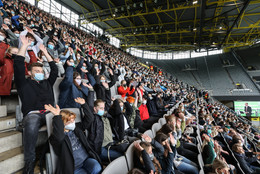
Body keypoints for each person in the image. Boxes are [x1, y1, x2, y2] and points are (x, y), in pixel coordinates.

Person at [14, 36, 58, 173]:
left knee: (67, 118)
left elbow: (54, 70)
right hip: (34, 114)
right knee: (32, 123)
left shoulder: (47, 82)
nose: (40, 73)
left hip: (50, 112)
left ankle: (58, 156)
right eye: (36, 71)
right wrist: (24, 46)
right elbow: (18, 64)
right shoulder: (23, 83)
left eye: (41, 71)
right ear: (30, 73)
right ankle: (29, 165)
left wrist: (45, 52)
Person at [45, 104, 102, 174]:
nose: (73, 123)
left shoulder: (76, 128)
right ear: (62, 123)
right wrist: (57, 116)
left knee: (97, 167)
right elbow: (59, 137)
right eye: (69, 121)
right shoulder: (56, 137)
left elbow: (90, 119)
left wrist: (84, 104)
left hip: (86, 160)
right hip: (74, 167)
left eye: (73, 120)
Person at [75, 97, 123, 162]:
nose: (103, 110)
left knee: (127, 150)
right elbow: (89, 117)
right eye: (101, 108)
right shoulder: (93, 119)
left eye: (103, 108)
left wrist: (114, 100)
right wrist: (84, 104)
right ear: (95, 108)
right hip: (100, 148)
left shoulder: (107, 116)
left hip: (112, 144)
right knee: (121, 156)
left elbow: (118, 113)